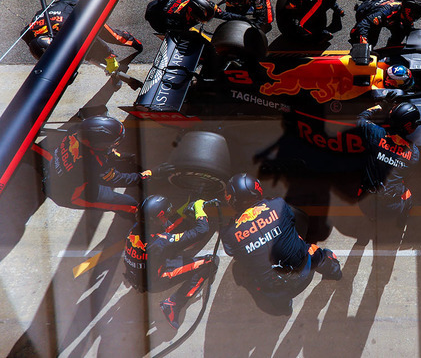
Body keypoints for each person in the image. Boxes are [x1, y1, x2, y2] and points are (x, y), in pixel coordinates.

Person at [220, 174, 342, 316]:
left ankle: (284, 309)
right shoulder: (278, 204)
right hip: (306, 271)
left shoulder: (228, 234)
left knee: (241, 268)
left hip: (276, 290)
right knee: (319, 254)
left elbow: (232, 253)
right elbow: (295, 220)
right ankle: (335, 272)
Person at [122, 195, 218, 329]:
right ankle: (173, 305)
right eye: (165, 214)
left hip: (136, 275)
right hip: (155, 281)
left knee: (171, 229)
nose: (168, 215)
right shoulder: (161, 241)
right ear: (155, 219)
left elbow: (167, 229)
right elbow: (201, 231)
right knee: (210, 263)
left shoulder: (135, 228)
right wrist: (198, 209)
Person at [46, 115, 151, 216]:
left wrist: (116, 156)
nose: (114, 146)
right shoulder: (92, 164)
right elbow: (118, 179)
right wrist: (144, 176)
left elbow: (102, 152)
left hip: (61, 175)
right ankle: (138, 221)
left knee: (121, 160)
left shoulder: (75, 130)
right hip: (71, 195)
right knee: (127, 204)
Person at [22, 0, 143, 81]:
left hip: (76, 9)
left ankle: (134, 42)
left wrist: (110, 57)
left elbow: (94, 41)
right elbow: (24, 34)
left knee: (113, 36)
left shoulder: (69, 29)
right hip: (51, 11)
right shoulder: (29, 34)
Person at [356, 99, 421, 226]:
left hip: (364, 205)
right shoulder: (414, 153)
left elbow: (360, 118)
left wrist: (380, 106)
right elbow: (407, 174)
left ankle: (372, 218)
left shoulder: (375, 133)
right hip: (392, 209)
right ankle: (402, 219)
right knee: (407, 192)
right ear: (410, 127)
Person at [350, 0, 421, 47]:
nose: (415, 18)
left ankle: (392, 48)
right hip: (365, 11)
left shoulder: (403, 13)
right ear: (408, 11)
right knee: (369, 42)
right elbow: (364, 24)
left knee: (402, 30)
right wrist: (363, 41)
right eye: (415, 15)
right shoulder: (385, 12)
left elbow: (410, 31)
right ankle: (355, 45)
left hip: (387, 14)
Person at [144, 0, 219, 34]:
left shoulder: (197, 0)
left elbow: (220, 13)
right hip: (155, 16)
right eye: (200, 20)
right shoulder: (176, 19)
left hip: (163, 2)